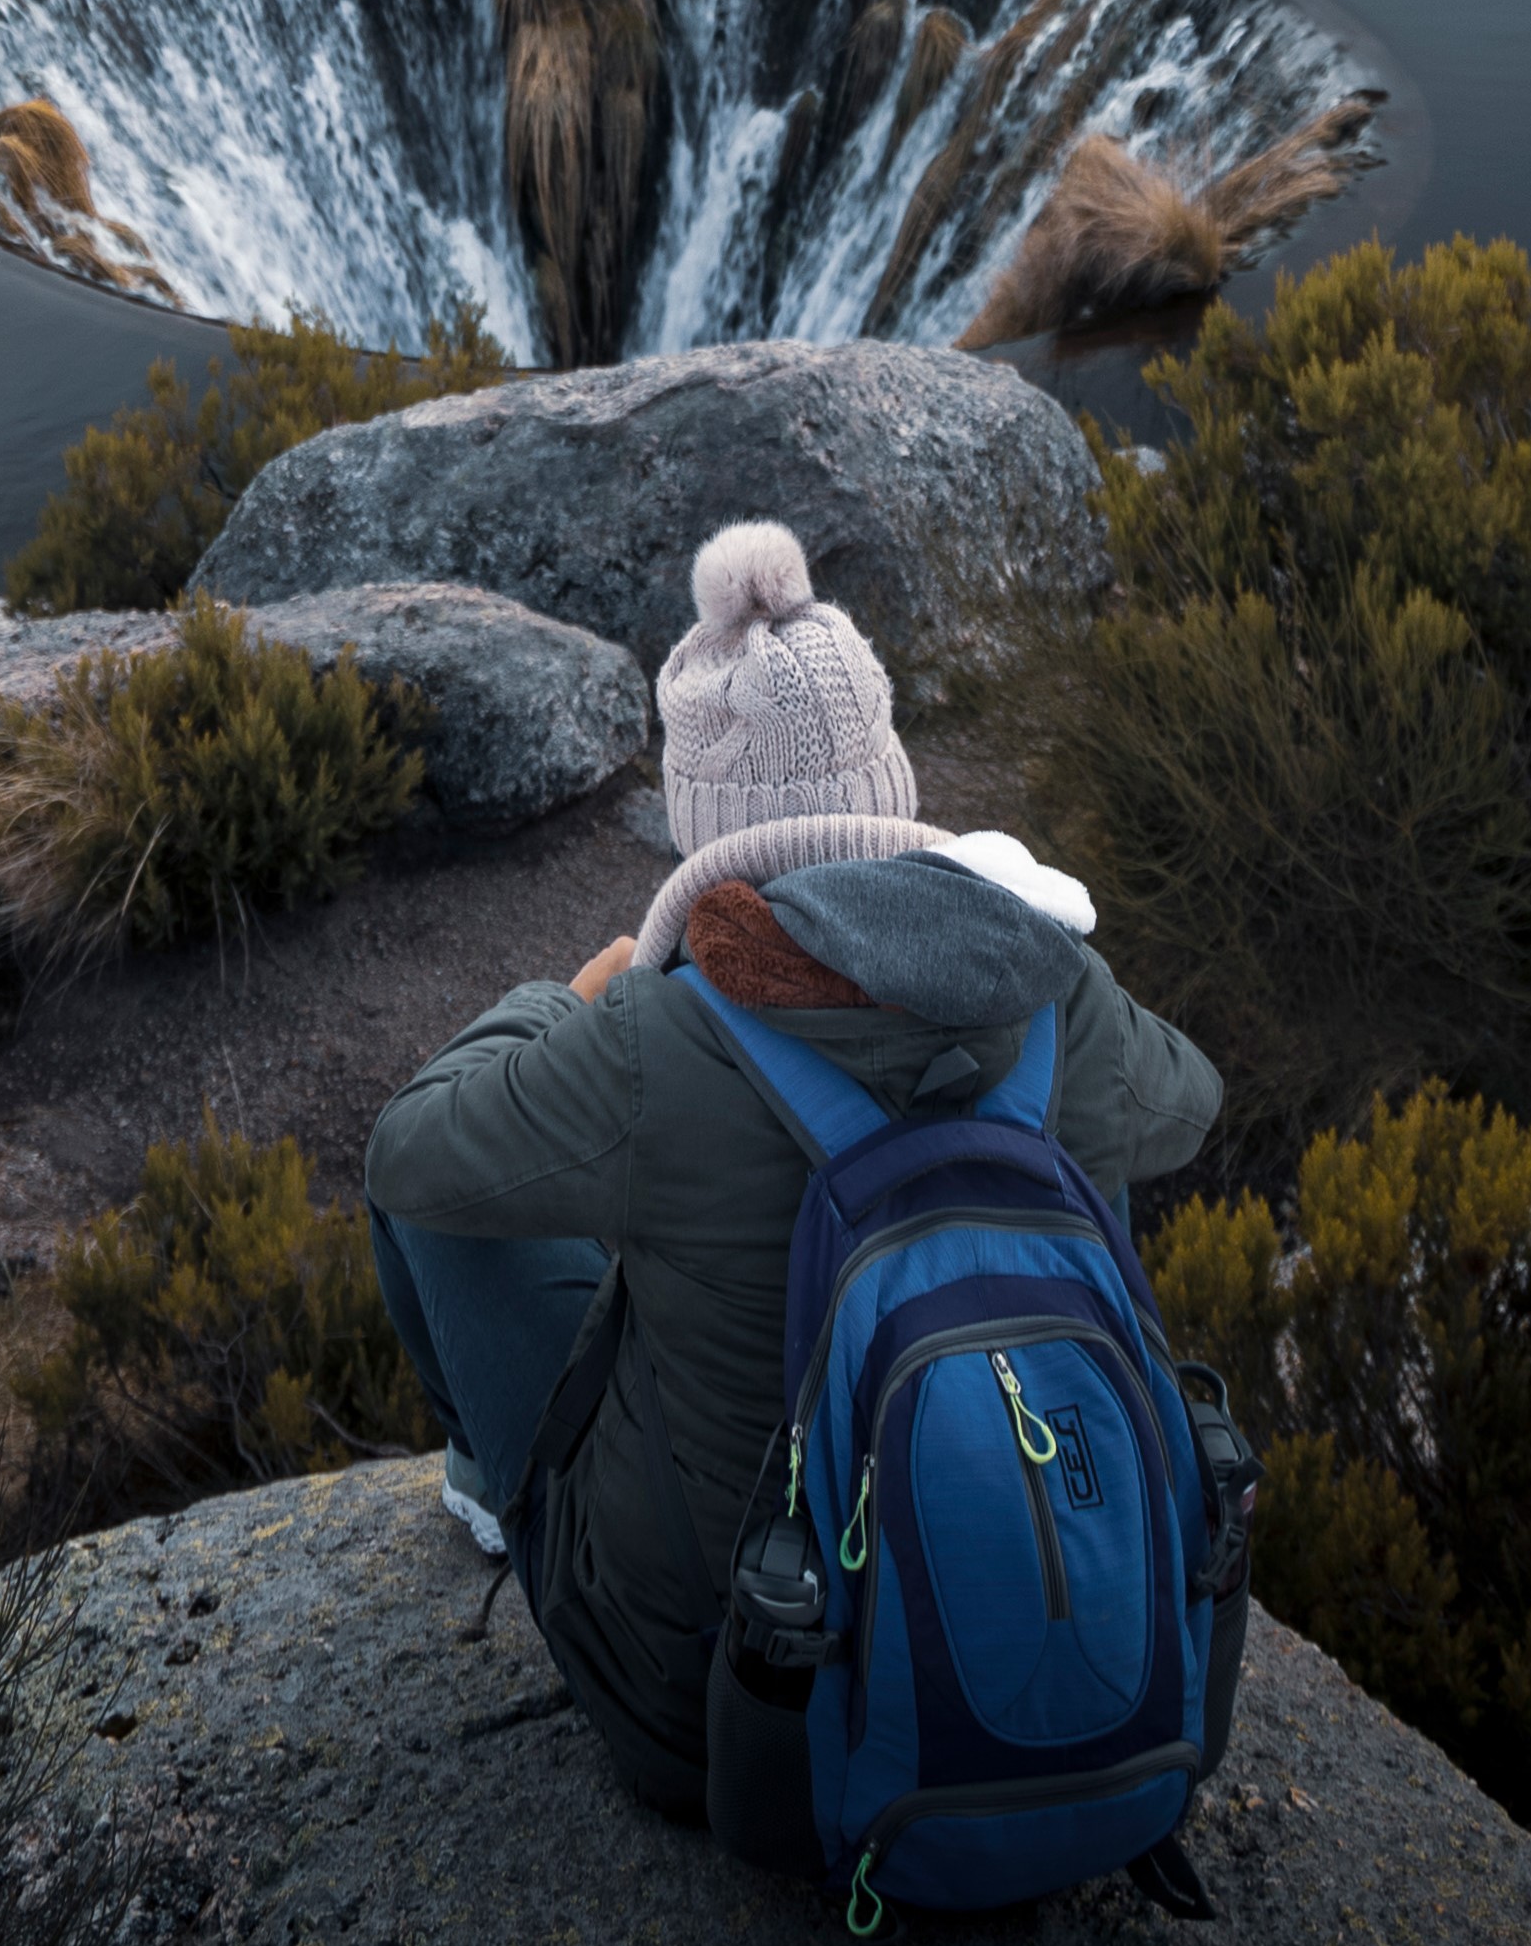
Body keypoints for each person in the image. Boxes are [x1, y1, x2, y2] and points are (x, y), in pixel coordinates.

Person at [363, 512, 1223, 1823]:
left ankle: (498, 1490)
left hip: (726, 1718)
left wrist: (566, 1001)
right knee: (1070, 1156)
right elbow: (1190, 1103)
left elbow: (410, 1154)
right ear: (890, 784)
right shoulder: (1058, 993)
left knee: (459, 1199)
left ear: (701, 826)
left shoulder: (660, 1036)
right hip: (1085, 1692)